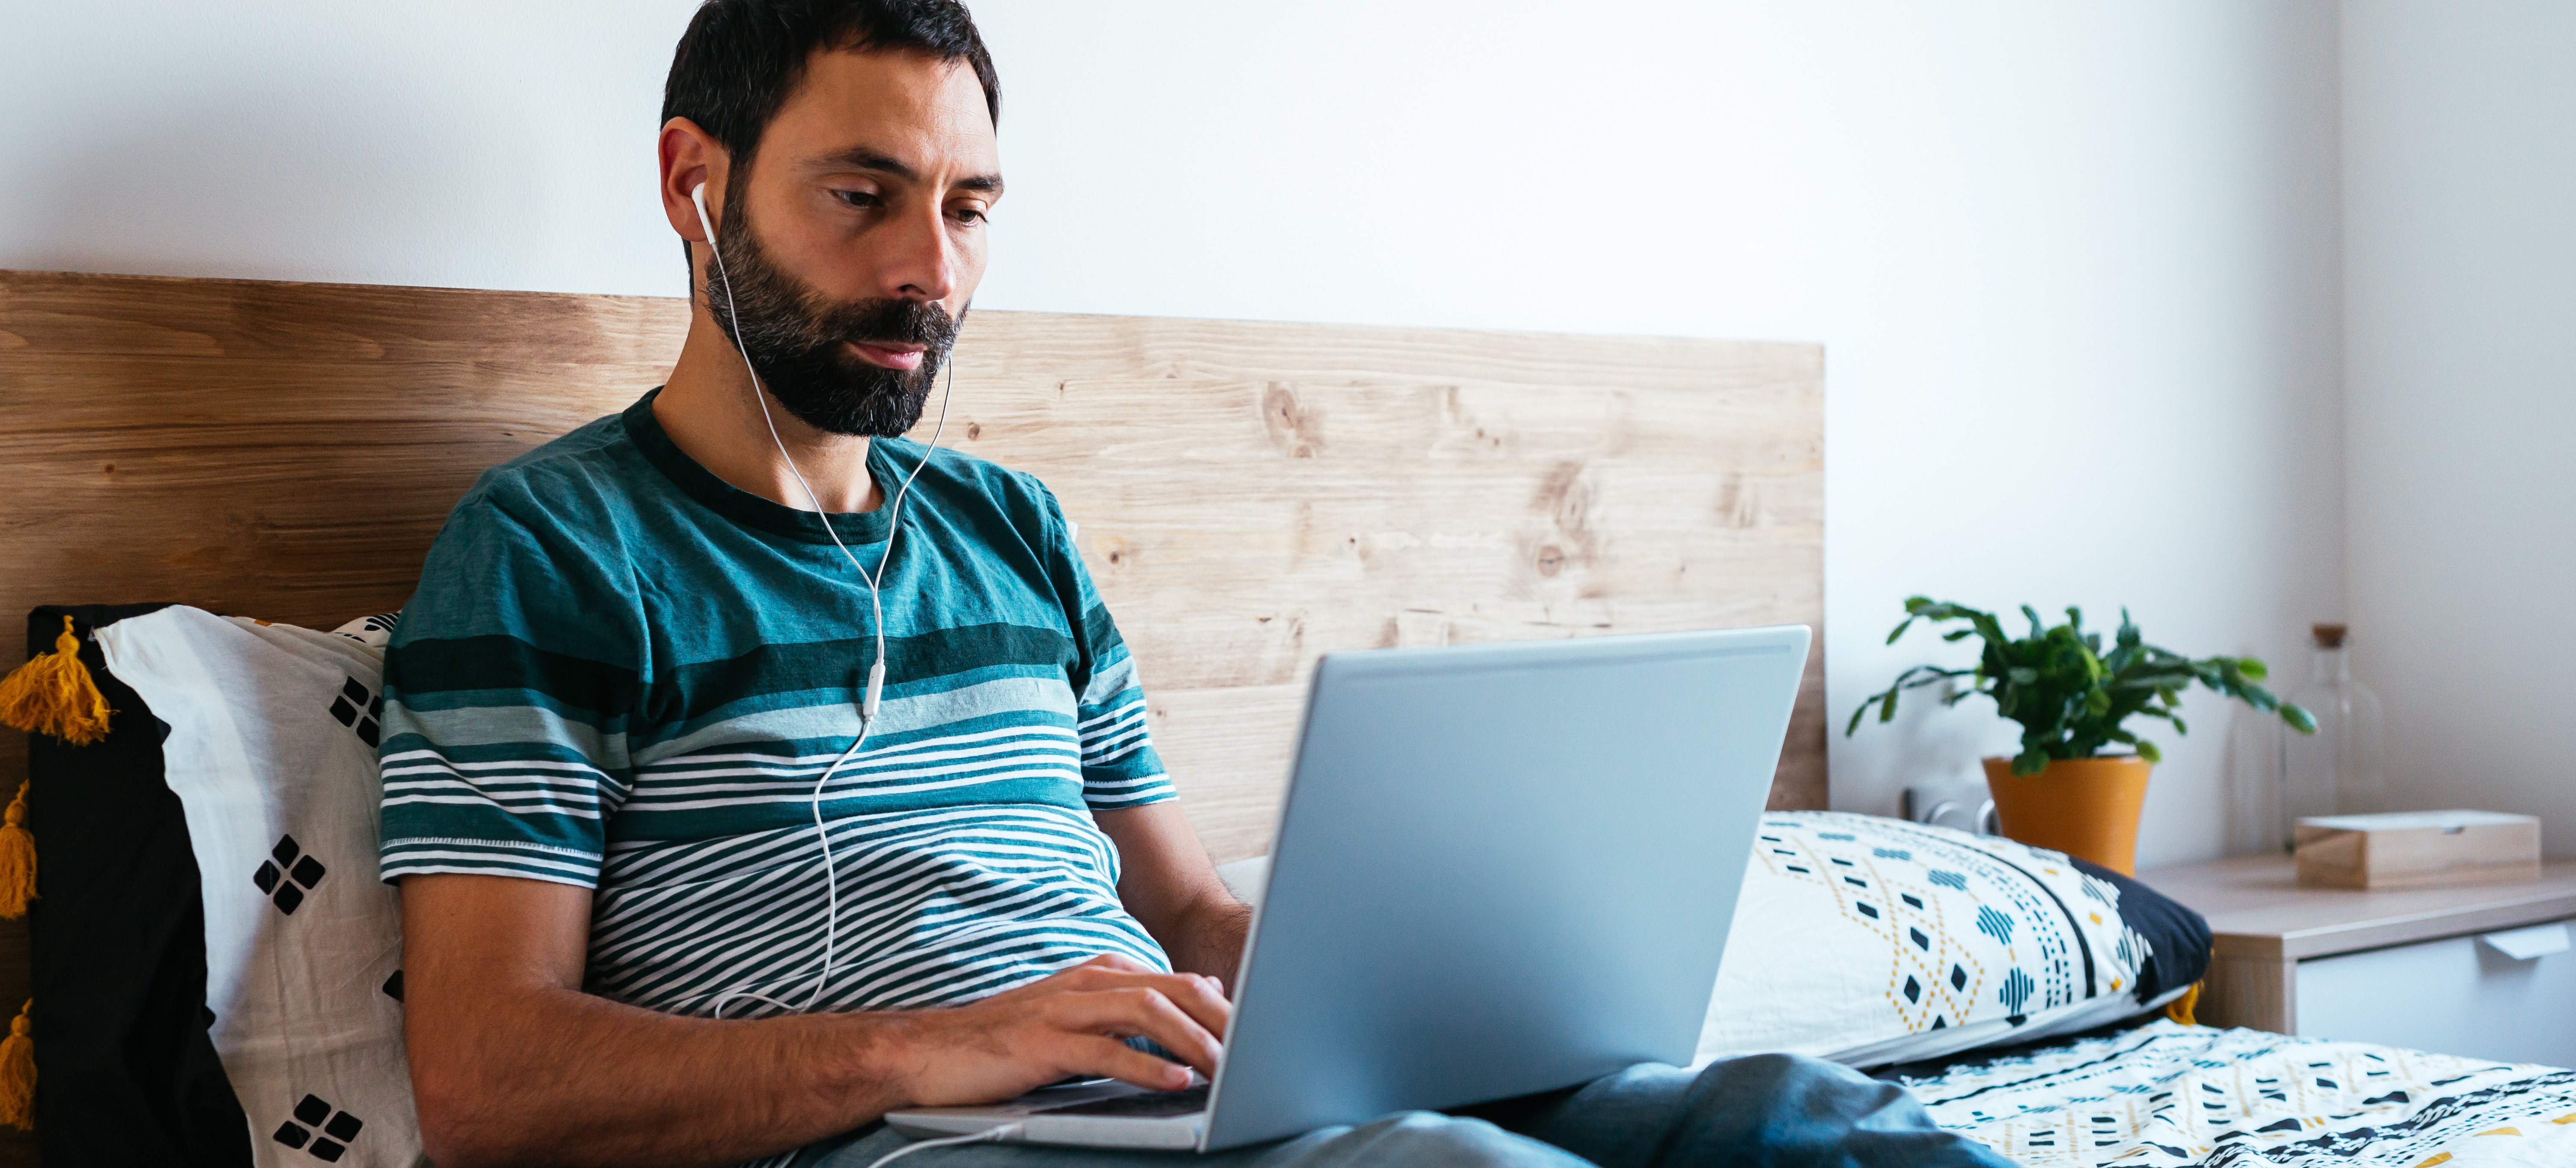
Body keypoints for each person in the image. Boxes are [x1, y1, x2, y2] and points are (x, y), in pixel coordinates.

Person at [379, 3, 2014, 1166]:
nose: (929, 274)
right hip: (905, 1141)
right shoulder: (551, 552)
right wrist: (944, 1048)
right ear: (696, 181)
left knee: (1801, 1114)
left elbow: (1186, 912)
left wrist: (1416, 979)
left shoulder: (1012, 532)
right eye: (862, 198)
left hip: (1177, 1097)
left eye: (968, 209)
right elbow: (484, 1083)